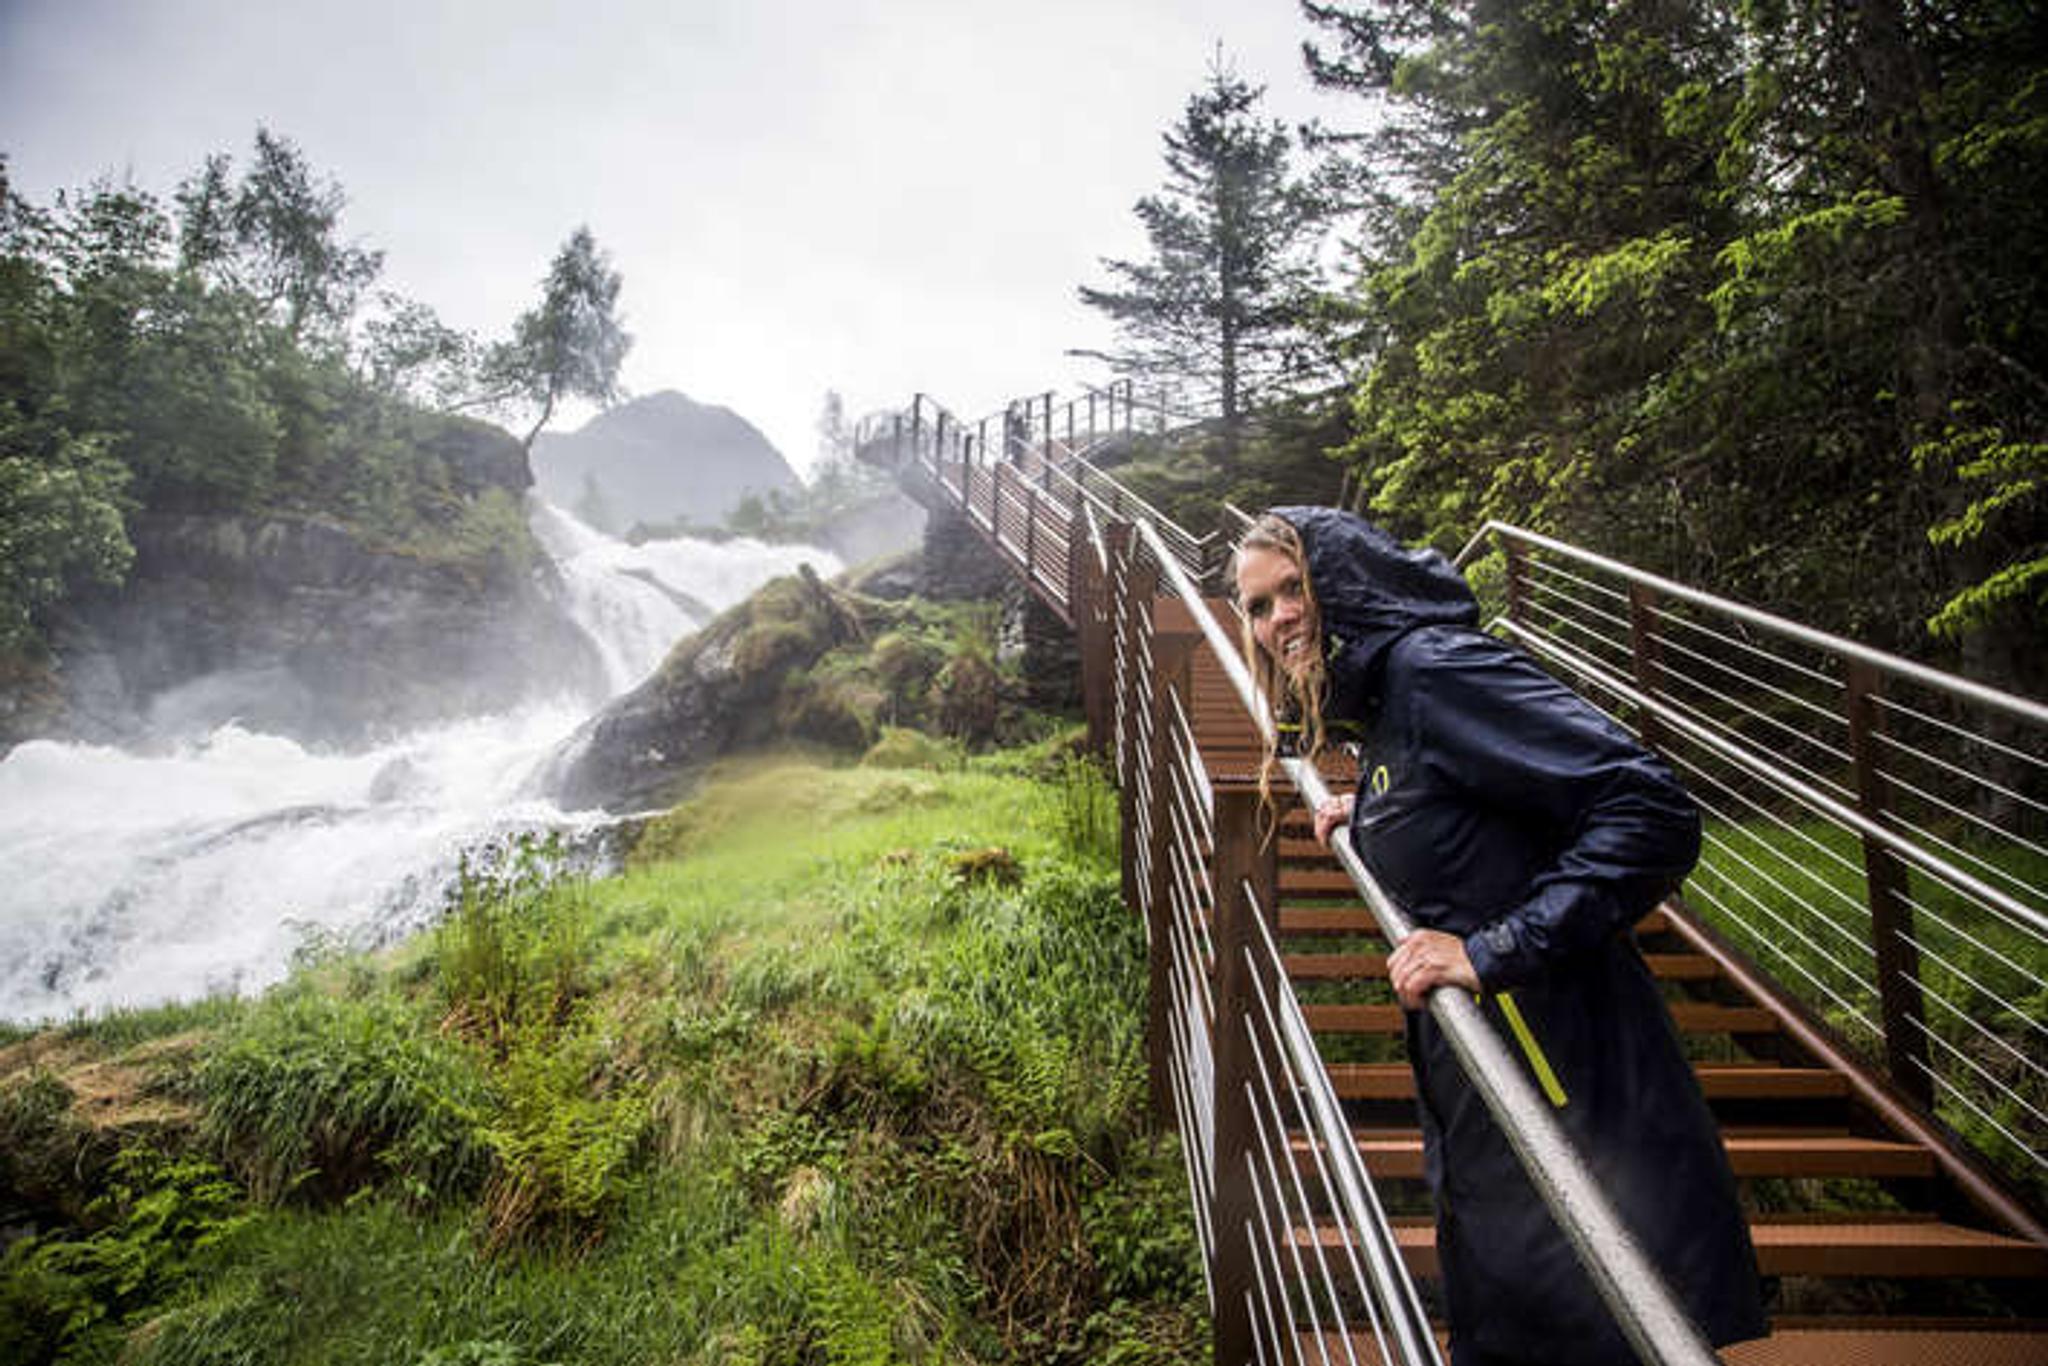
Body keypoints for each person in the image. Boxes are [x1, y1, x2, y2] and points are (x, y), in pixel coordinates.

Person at [1232, 507, 1765, 1366]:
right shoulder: (1388, 713)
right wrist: (1371, 814)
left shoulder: (1437, 670)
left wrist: (1491, 951)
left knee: (1590, 1328)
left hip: (1569, 1087)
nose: (1277, 618)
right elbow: (1467, 820)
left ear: (1346, 579)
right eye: (1258, 606)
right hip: (1501, 1080)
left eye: (1295, 587)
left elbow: (1650, 811)